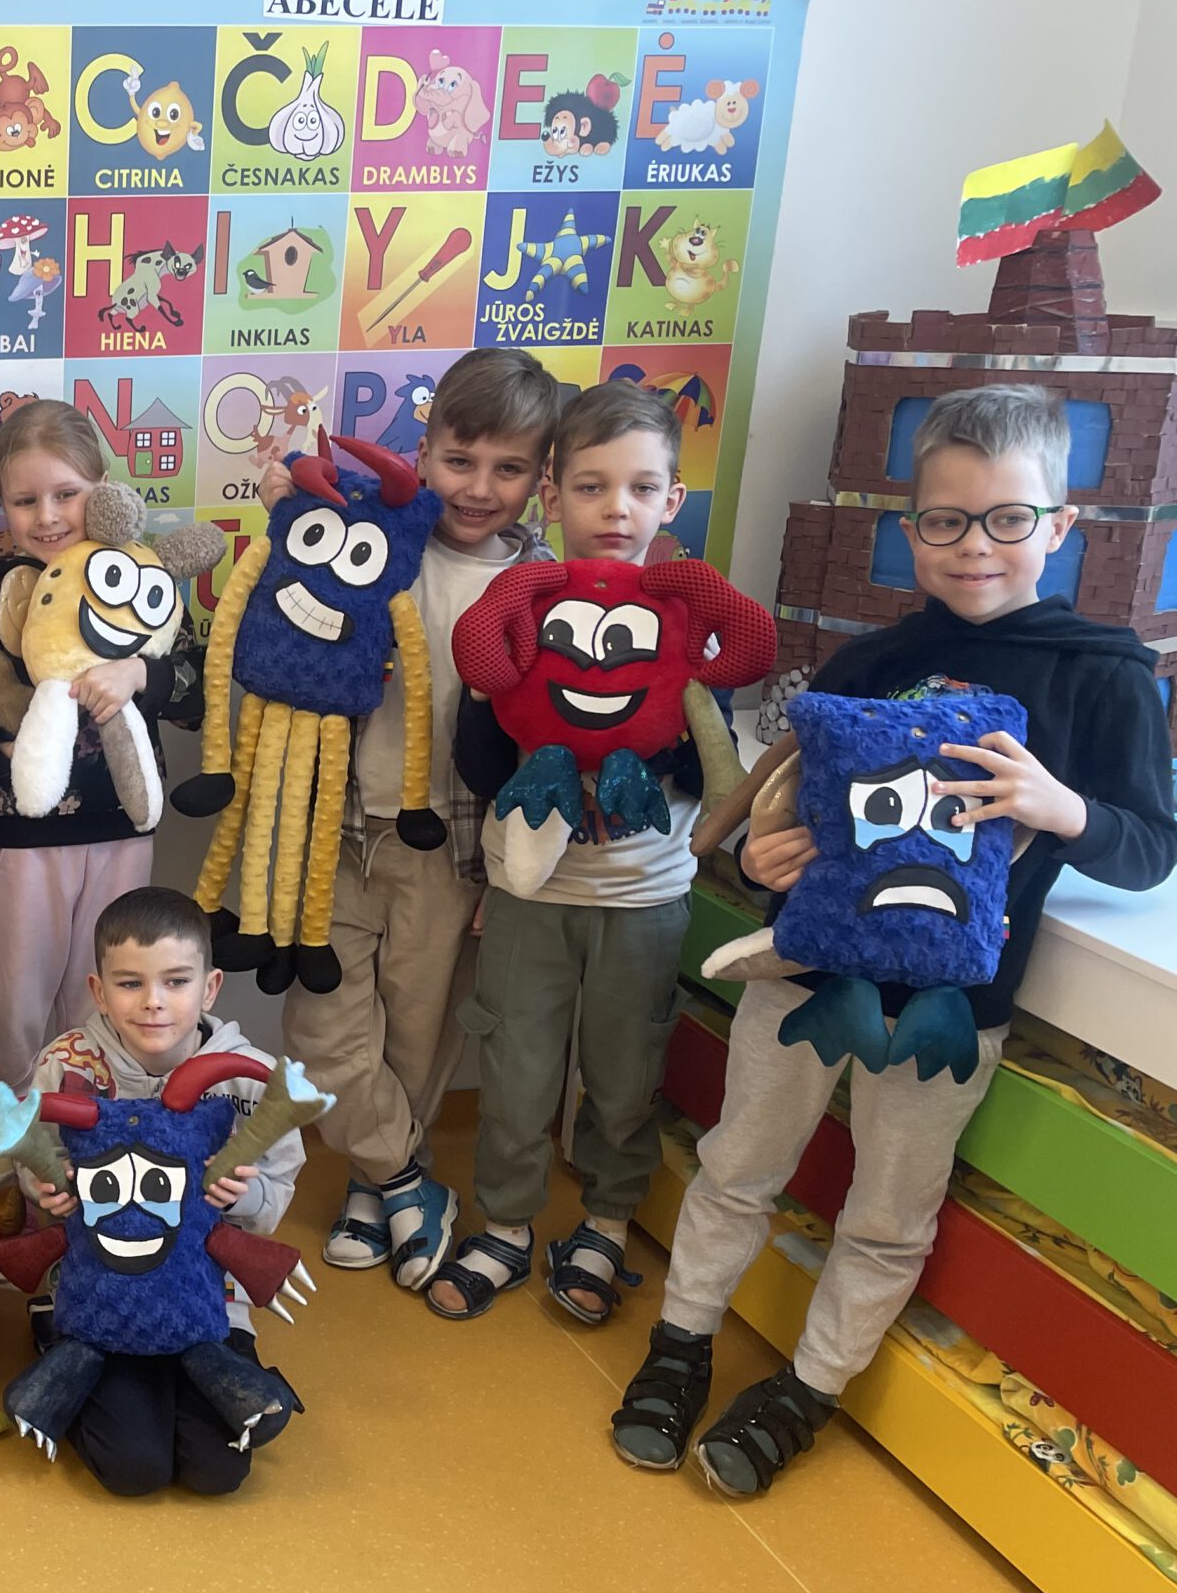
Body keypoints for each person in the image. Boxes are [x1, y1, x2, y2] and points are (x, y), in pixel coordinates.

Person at [613, 386, 1177, 1496]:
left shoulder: (1103, 671)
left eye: (1007, 518)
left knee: (887, 1211)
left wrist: (1059, 807)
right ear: (909, 527)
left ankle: (809, 1387)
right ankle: (680, 1341)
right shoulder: (870, 663)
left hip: (954, 1007)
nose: (976, 546)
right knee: (737, 1164)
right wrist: (765, 859)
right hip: (805, 968)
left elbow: (1149, 847)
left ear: (1061, 524)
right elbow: (784, 816)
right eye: (946, 520)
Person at [268, 348, 558, 1293]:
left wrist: (510, 871)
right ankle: (403, 1177)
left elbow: (544, 742)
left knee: (418, 1036)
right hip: (339, 829)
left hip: (457, 847)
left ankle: (375, 1185)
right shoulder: (374, 539)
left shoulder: (544, 586)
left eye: (508, 469)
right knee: (323, 1032)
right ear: (423, 452)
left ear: (541, 477)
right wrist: (283, 506)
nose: (478, 488)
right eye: (459, 460)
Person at [430, 382, 699, 1323]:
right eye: (591, 486)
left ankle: (608, 1223)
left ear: (671, 498)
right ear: (552, 495)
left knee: (626, 1075)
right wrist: (530, 745)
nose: (616, 509)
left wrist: (634, 757)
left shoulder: (688, 614)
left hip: (644, 896)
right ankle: (505, 1225)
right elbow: (475, 755)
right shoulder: (520, 603)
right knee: (515, 1071)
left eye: (641, 488)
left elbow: (709, 759)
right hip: (529, 890)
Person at [0, 400, 204, 1087]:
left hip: (123, 833)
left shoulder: (143, 580)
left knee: (109, 1013)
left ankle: (98, 1140)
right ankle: (18, 1140)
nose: (48, 516)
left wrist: (141, 674)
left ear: (102, 488)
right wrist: (6, 758)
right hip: (26, 842)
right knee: (17, 1015)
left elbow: (200, 693)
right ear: (1, 501)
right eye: (25, 500)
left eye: (67, 494)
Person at [19, 887, 306, 1496]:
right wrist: (48, 1187)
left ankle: (172, 1381)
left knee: (218, 1471)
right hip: (102, 1298)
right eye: (130, 984)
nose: (153, 1002)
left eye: (176, 982)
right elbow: (30, 1153)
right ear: (99, 991)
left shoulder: (253, 1080)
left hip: (210, 1305)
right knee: (133, 1469)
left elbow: (274, 1196)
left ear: (210, 987)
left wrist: (241, 1197)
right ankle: (66, 1353)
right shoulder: (66, 1066)